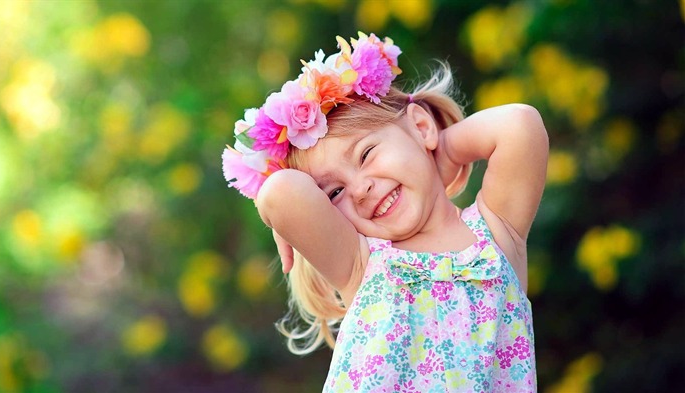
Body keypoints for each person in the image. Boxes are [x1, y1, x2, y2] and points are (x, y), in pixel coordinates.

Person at [222, 32, 548, 392]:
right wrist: (279, 203)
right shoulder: (359, 263)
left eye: (365, 154)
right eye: (334, 192)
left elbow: (520, 125)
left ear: (420, 126)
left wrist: (442, 148)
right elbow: (280, 194)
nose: (360, 189)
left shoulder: (497, 233)